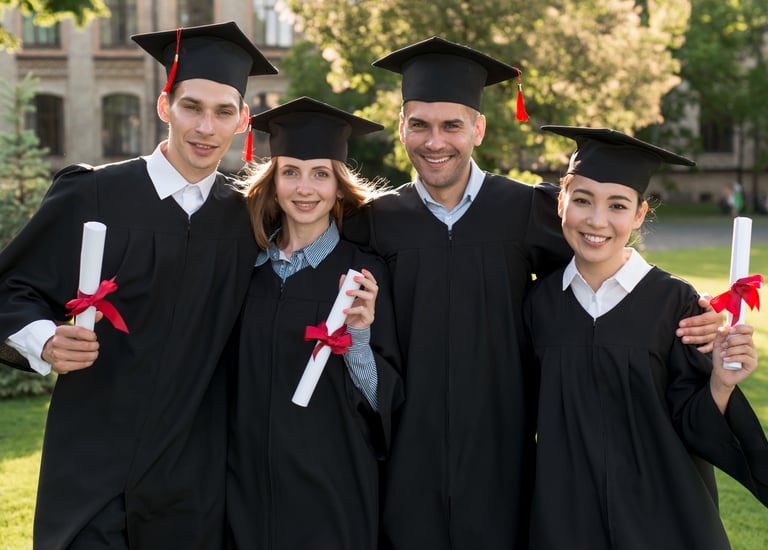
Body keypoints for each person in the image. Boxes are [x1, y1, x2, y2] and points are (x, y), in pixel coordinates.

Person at [342, 37, 724, 549]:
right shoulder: (376, 222)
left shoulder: (525, 209)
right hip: (405, 458)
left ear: (478, 128)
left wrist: (686, 307)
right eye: (420, 124)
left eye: (452, 124)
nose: (436, 141)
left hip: (508, 460)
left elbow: (603, 246)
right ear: (402, 126)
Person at [0, 22, 276, 549]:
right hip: (92, 462)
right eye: (191, 106)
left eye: (223, 112)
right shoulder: (94, 194)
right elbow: (11, 287)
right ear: (164, 105)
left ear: (244, 121)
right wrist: (46, 338)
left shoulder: (247, 222)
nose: (204, 127)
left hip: (192, 476)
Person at [525, 125, 768, 549]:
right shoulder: (538, 304)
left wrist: (721, 383)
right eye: (582, 200)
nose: (597, 220)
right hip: (568, 518)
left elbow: (694, 421)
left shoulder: (676, 304)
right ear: (560, 203)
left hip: (663, 517)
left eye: (617, 205)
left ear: (639, 214)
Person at [226, 96, 403, 549]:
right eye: (291, 172)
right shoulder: (245, 268)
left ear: (339, 186)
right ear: (273, 180)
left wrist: (359, 340)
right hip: (244, 489)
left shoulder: (363, 275)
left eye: (320, 174)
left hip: (332, 488)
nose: (305, 189)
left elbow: (384, 399)